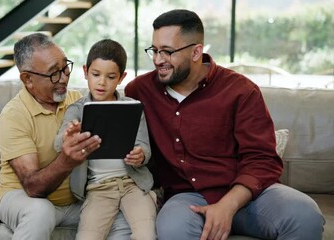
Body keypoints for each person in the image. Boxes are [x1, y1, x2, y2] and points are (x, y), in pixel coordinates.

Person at [125, 9, 325, 240]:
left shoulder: (241, 90)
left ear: (196, 51)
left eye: (168, 52)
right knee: (172, 227)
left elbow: (262, 159)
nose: (158, 60)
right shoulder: (139, 91)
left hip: (248, 197)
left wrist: (227, 206)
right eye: (155, 50)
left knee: (304, 214)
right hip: (187, 200)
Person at [0, 33, 131, 240]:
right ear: (28, 79)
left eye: (65, 67)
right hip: (22, 197)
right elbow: (32, 187)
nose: (64, 78)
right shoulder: (14, 114)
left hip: (75, 201)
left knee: (123, 217)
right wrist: (66, 161)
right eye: (53, 74)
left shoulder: (78, 102)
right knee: (40, 211)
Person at [54, 39, 156, 240]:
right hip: (98, 189)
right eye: (95, 74)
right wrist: (69, 137)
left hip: (133, 185)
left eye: (111, 77)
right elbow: (59, 144)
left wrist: (140, 155)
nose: (102, 82)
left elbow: (144, 146)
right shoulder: (77, 109)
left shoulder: (133, 107)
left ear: (121, 78)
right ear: (85, 72)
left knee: (146, 235)